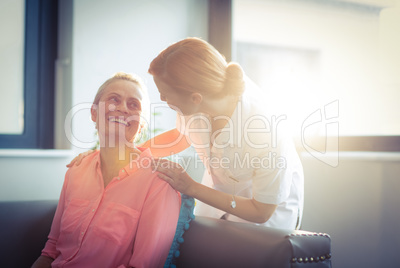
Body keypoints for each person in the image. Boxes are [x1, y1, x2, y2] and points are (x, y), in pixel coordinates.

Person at [70, 37, 304, 230]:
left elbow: (261, 211)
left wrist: (190, 187)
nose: (161, 100)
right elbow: (180, 137)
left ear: (195, 98)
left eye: (165, 95)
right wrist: (105, 158)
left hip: (264, 217)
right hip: (218, 195)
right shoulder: (200, 99)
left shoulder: (266, 130)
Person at [32, 72, 181, 268]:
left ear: (142, 124)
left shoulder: (160, 182)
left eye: (134, 104)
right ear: (94, 113)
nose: (122, 108)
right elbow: (50, 251)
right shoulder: (76, 170)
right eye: (114, 99)